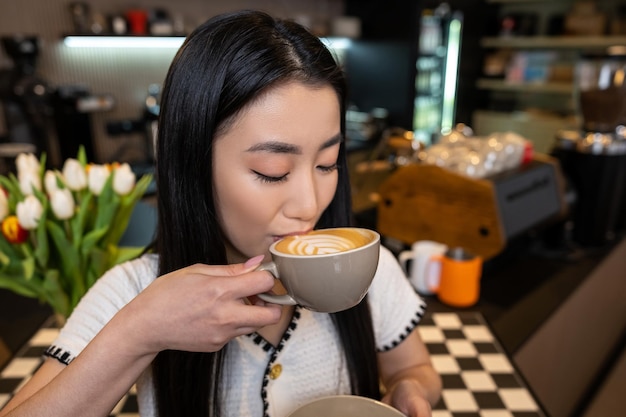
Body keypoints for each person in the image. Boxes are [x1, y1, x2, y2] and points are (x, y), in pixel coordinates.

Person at [0, 9, 441, 417]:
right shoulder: (133, 292)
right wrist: (140, 332)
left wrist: (411, 389)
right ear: (193, 163)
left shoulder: (367, 267)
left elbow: (414, 370)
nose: (309, 205)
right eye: (273, 171)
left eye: (327, 163)